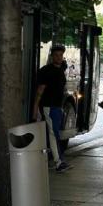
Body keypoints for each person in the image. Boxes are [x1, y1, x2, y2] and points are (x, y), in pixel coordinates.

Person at [33, 45, 72, 173]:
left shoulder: (60, 70)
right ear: (52, 56)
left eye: (61, 55)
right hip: (49, 106)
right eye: (56, 55)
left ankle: (58, 160)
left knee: (54, 133)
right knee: (53, 134)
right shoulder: (46, 71)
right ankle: (58, 162)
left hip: (57, 107)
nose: (59, 57)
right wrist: (35, 108)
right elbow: (40, 91)